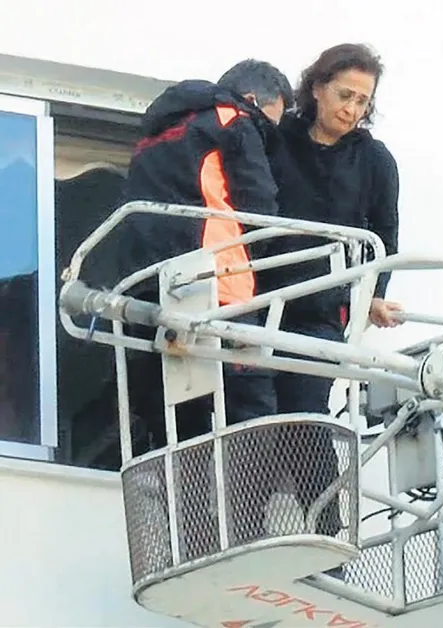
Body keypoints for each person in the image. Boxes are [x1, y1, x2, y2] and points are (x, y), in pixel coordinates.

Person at [114, 59, 294, 550]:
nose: (268, 135)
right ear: (254, 101)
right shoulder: (234, 120)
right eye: (271, 124)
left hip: (152, 290)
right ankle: (249, 533)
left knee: (182, 415)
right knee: (251, 406)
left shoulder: (154, 134)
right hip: (217, 283)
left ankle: (192, 535)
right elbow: (260, 207)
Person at [264, 44, 403, 543]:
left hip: (321, 307)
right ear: (318, 88)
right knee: (253, 415)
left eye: (362, 101)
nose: (352, 109)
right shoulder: (276, 139)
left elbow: (385, 234)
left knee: (306, 414)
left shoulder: (374, 159)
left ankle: (328, 534)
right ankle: (246, 529)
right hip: (258, 298)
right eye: (345, 95)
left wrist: (373, 296)